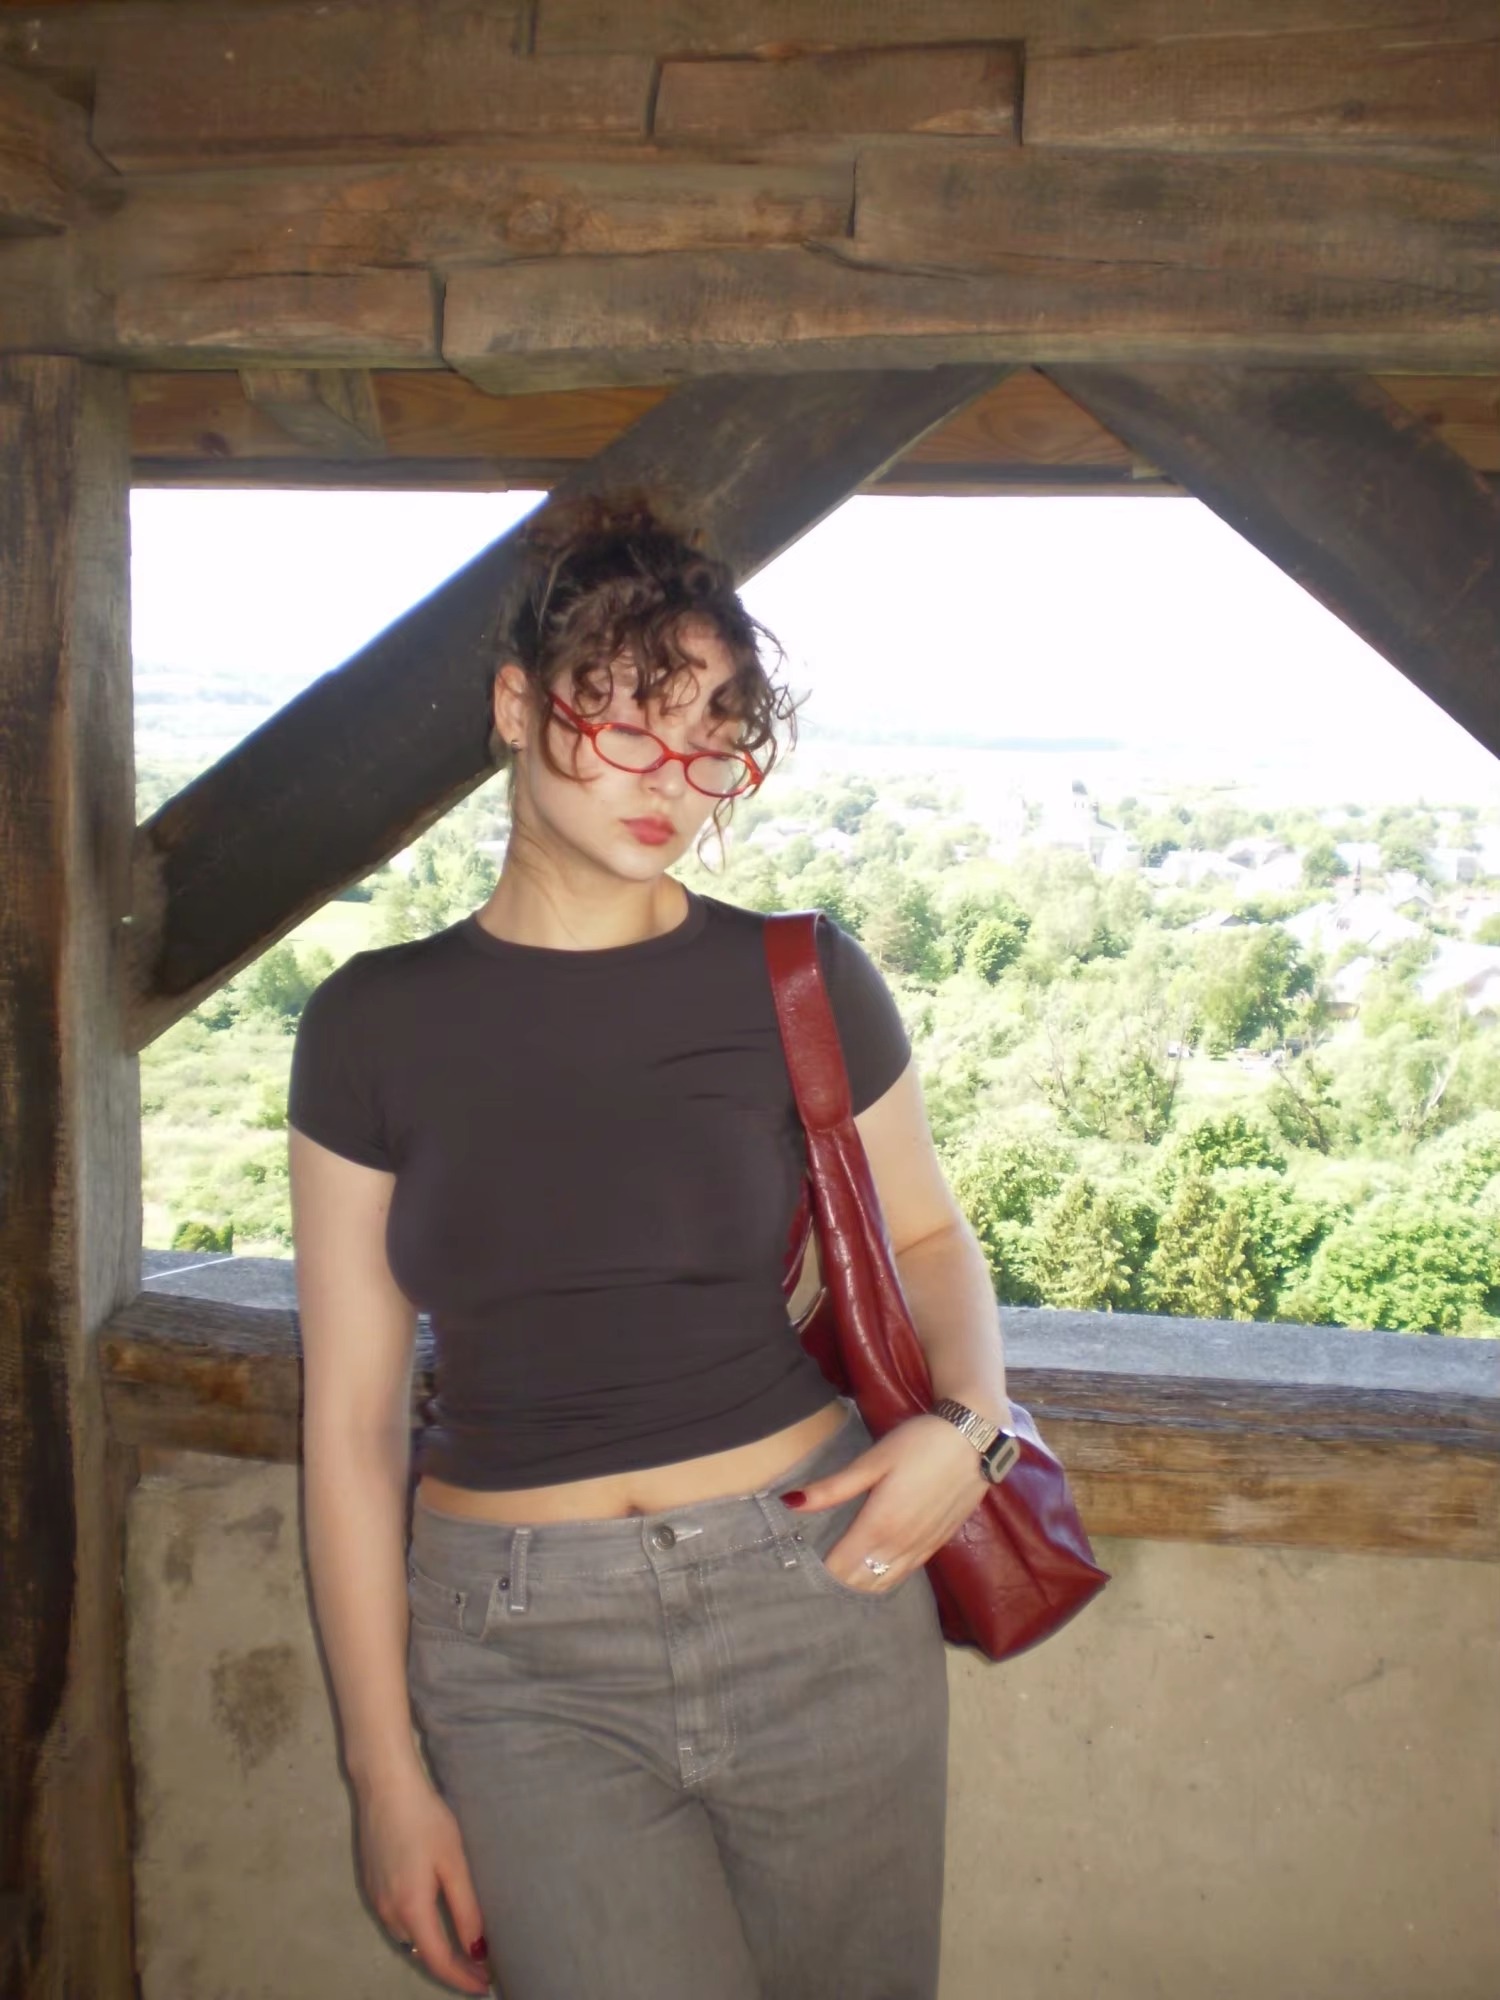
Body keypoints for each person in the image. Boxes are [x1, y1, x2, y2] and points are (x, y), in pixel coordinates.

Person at [286, 498, 1012, 2000]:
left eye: (710, 740)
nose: (669, 780)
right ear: (516, 706)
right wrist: (382, 1771)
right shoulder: (370, 1024)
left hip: (814, 1587)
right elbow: (351, 1423)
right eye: (626, 722)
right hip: (516, 1656)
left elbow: (929, 1233)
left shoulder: (798, 976)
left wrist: (972, 1424)